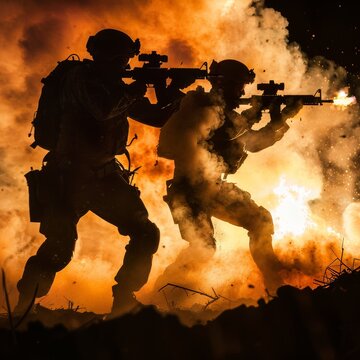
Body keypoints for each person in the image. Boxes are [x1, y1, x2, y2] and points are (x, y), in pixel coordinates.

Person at [16, 29, 190, 317]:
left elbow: (156, 117)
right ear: (104, 56)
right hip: (67, 178)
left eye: (125, 60)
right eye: (121, 59)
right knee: (60, 247)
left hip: (104, 176)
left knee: (145, 233)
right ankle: (24, 307)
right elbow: (103, 109)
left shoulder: (116, 85)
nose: (124, 66)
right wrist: (137, 87)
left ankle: (124, 297)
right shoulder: (80, 79)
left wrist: (170, 89)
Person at [157, 59, 303, 291]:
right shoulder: (198, 105)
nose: (242, 92)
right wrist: (264, 112)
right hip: (189, 190)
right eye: (239, 87)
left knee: (260, 221)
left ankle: (276, 287)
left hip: (211, 187)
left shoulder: (225, 113)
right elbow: (229, 132)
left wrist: (280, 118)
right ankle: (162, 293)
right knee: (202, 248)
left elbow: (254, 143)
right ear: (223, 84)